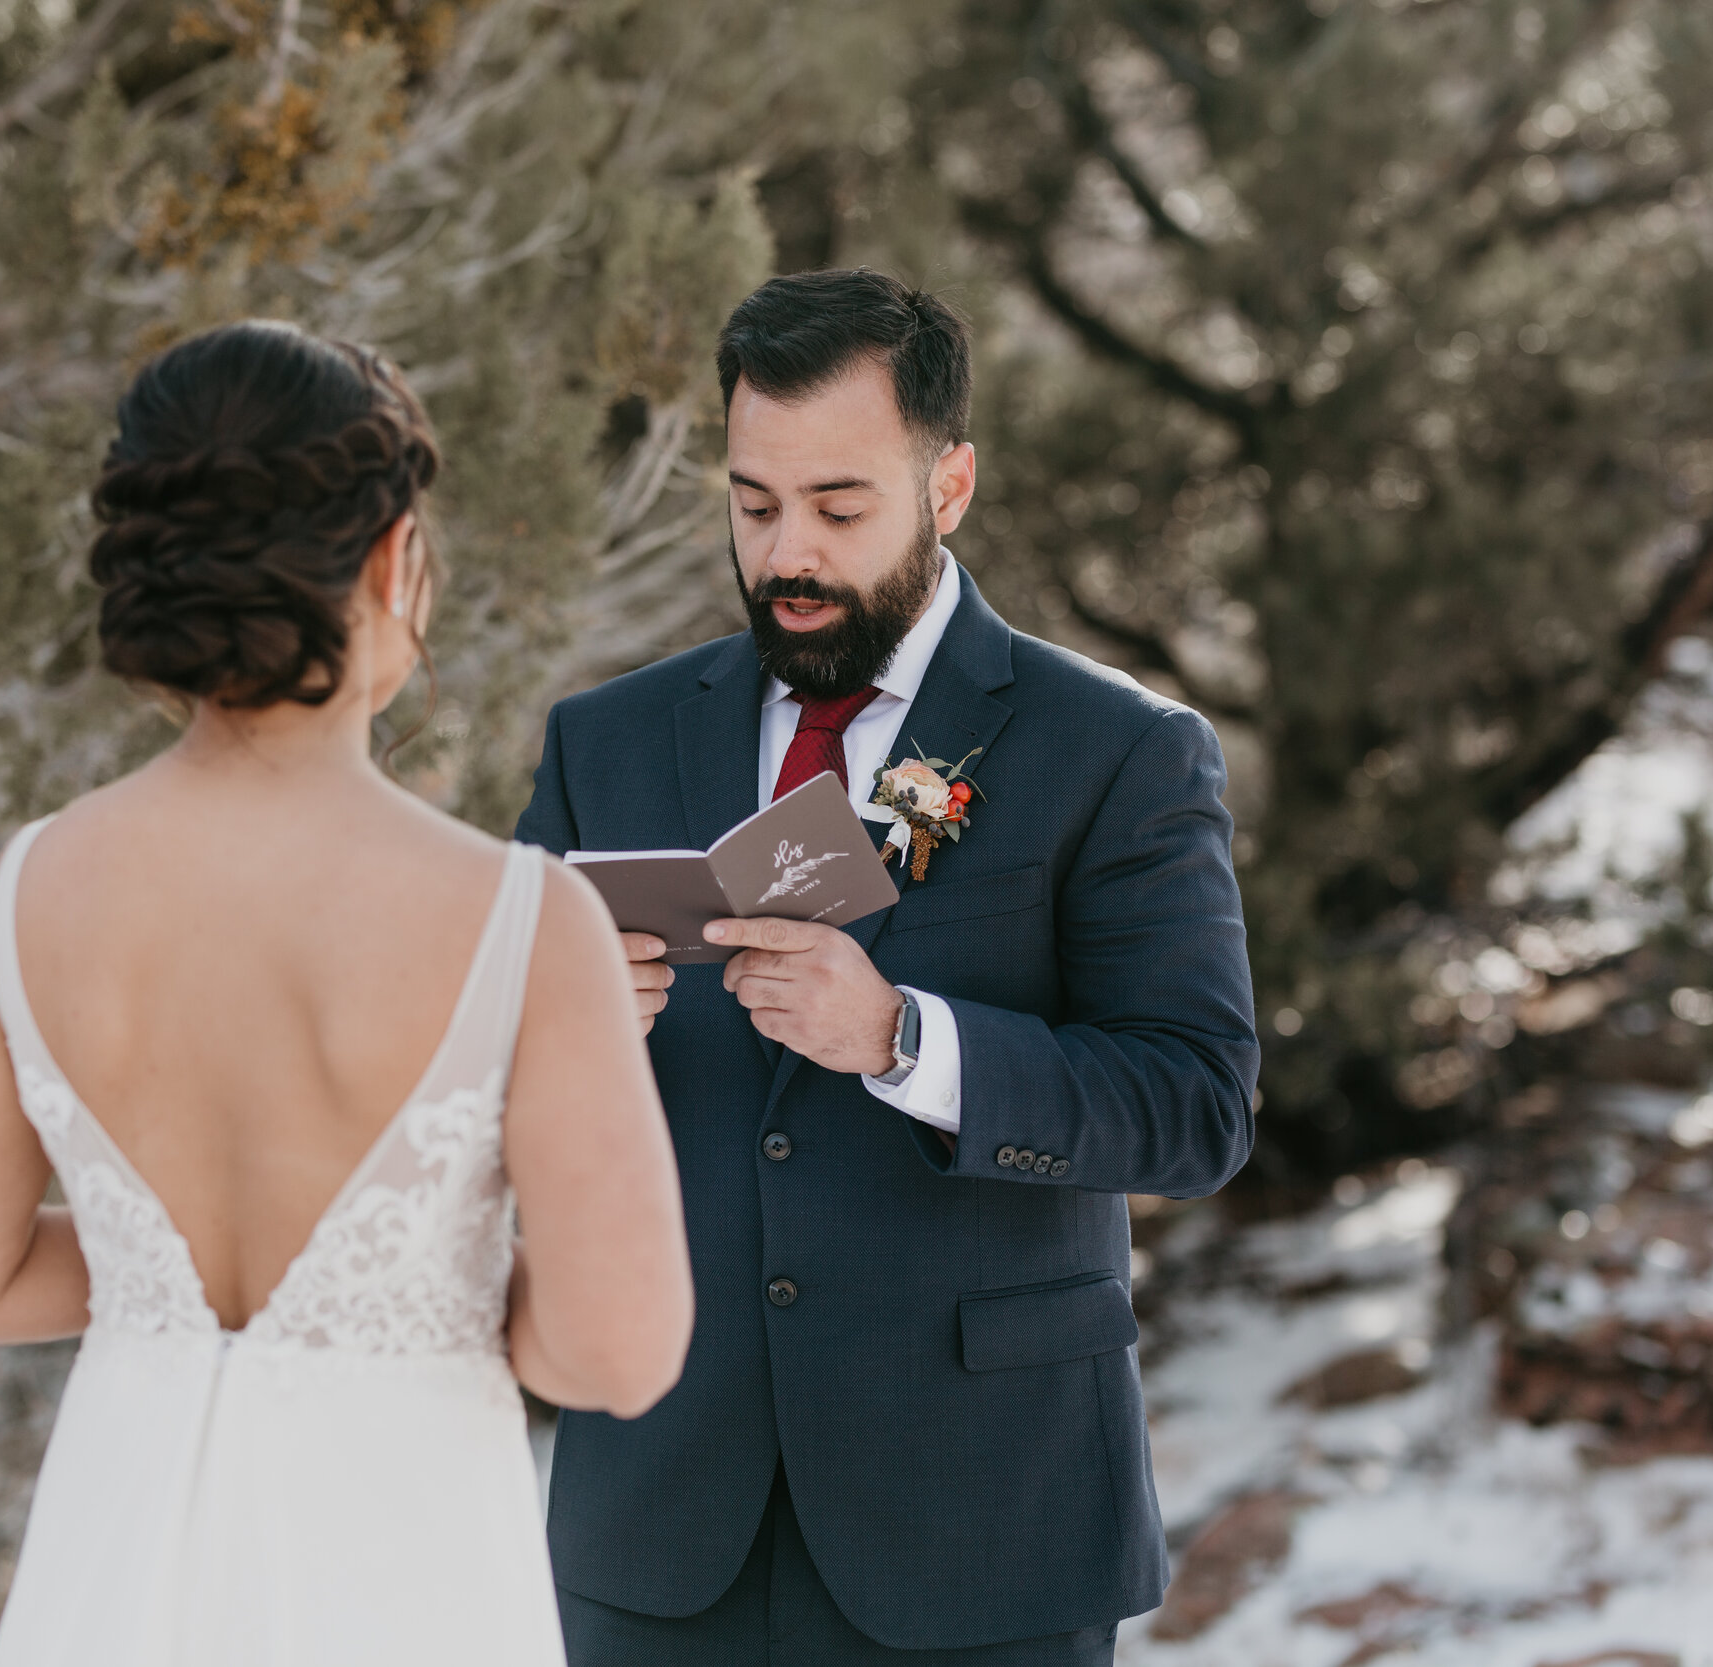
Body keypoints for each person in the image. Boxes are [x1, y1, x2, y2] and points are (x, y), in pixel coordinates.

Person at [0, 320, 693, 1667]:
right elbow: (616, 1352)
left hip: (119, 1570)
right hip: (405, 1574)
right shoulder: (518, 918)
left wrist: (169, 1295)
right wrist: (431, 1276)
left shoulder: (34, 890)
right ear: (390, 560)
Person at [518, 269, 1260, 1665]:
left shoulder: (1115, 750)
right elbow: (482, 1095)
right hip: (659, 1525)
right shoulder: (599, 745)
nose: (788, 552)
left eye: (840, 508)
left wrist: (909, 1042)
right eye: (754, 506)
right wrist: (558, 1031)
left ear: (951, 483)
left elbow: (1197, 1108)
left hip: (986, 1520)